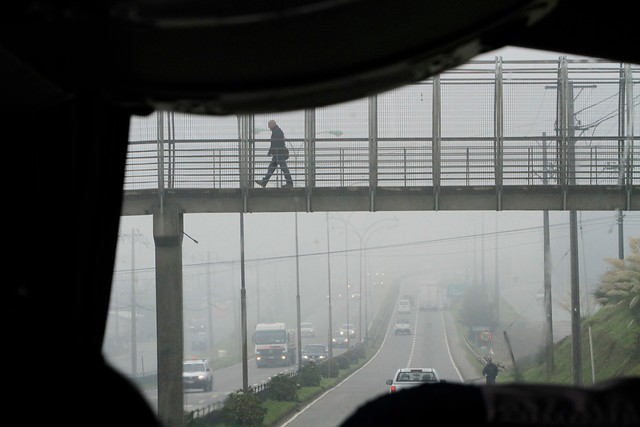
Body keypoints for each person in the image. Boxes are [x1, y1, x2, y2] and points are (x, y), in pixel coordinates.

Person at [255, 120, 294, 188]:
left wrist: (271, 151)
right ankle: (264, 182)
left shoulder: (276, 132)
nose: (268, 126)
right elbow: (275, 143)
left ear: (272, 125)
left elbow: (275, 143)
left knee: (282, 168)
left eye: (269, 125)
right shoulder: (277, 131)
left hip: (278, 153)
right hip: (278, 153)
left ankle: (289, 183)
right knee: (273, 168)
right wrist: (271, 151)